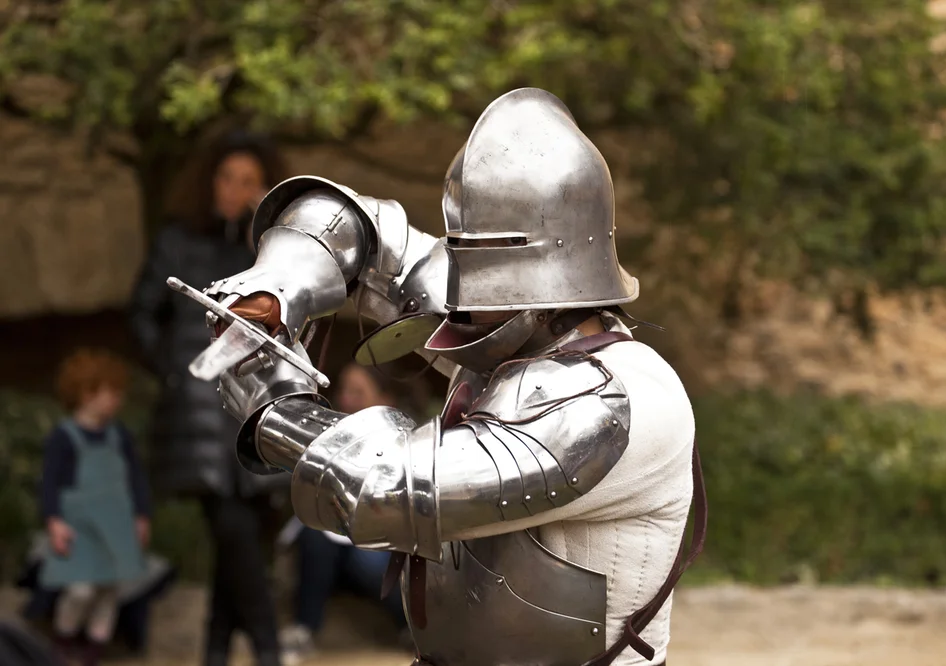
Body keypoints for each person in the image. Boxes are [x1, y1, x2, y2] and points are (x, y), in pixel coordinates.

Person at [185, 88, 707, 666]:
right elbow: (351, 225)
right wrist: (278, 286)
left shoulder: (614, 400)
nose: (456, 293)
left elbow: (384, 487)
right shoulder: (515, 343)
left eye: (479, 268)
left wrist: (274, 408)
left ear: (535, 281)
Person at [129, 129, 290, 666]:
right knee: (233, 529)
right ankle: (268, 649)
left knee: (238, 537)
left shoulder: (267, 252)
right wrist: (175, 371)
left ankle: (216, 651)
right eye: (227, 177)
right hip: (198, 411)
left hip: (252, 409)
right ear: (210, 181)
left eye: (249, 182)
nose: (235, 189)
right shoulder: (177, 240)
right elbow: (142, 315)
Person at [279, 363, 428, 665]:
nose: (347, 400)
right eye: (344, 391)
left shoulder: (409, 444)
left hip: (381, 544)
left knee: (373, 561)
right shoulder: (327, 438)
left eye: (358, 392)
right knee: (315, 537)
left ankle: (412, 631)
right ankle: (304, 629)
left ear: (385, 401)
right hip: (334, 540)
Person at [38, 348, 151, 666]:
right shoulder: (63, 437)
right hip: (79, 527)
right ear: (86, 394)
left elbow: (136, 478)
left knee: (110, 588)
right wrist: (53, 520)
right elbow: (49, 483)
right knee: (81, 589)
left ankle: (94, 649)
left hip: (116, 521)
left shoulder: (120, 436)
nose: (117, 400)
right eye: (110, 392)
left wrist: (142, 516)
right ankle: (63, 638)